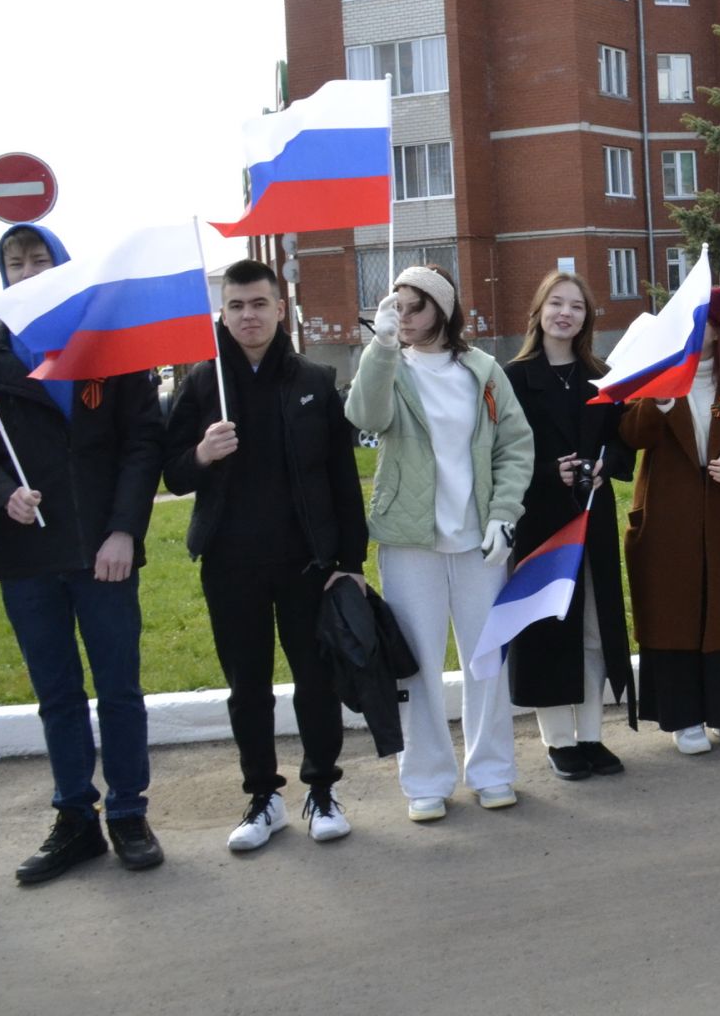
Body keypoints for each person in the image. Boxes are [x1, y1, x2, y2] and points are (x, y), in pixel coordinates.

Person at [0, 224, 165, 884]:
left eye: (39, 258)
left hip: (106, 551)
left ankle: (129, 812)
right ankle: (76, 819)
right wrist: (0, 495)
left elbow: (143, 444)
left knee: (119, 691)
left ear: (64, 265)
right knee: (58, 697)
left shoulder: (109, 344)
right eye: (14, 262)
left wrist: (125, 531)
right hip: (28, 553)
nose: (27, 270)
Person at [162, 259, 367, 851]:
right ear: (221, 315)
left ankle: (322, 790)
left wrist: (348, 560)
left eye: (259, 304)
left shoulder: (313, 381)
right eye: (236, 306)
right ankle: (262, 798)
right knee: (246, 684)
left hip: (307, 563)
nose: (248, 316)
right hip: (231, 562)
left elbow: (341, 479)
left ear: (281, 309)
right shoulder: (202, 384)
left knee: (315, 681)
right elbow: (172, 476)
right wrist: (201, 453)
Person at [345, 264, 534, 822]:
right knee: (419, 663)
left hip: (478, 541)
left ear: (442, 310)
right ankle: (425, 779)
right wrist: (379, 349)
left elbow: (515, 446)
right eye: (395, 306)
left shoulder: (482, 370)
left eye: (415, 306)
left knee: (486, 659)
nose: (403, 317)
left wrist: (504, 515)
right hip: (409, 539)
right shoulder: (387, 363)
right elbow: (365, 416)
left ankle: (492, 771)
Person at [621, 286, 720, 754]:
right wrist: (661, 402)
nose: (695, 329)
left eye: (705, 321)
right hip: (669, 521)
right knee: (675, 613)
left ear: (719, 329)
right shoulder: (656, 374)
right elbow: (630, 433)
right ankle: (682, 716)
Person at [502, 270, 632, 781]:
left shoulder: (602, 376)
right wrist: (543, 474)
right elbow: (499, 454)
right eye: (556, 303)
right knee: (548, 627)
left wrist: (607, 465)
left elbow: (623, 441)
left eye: (576, 306)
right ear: (537, 311)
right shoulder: (513, 377)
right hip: (541, 522)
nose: (565, 313)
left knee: (595, 628)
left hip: (591, 515)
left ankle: (592, 736)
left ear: (586, 318)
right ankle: (558, 741)